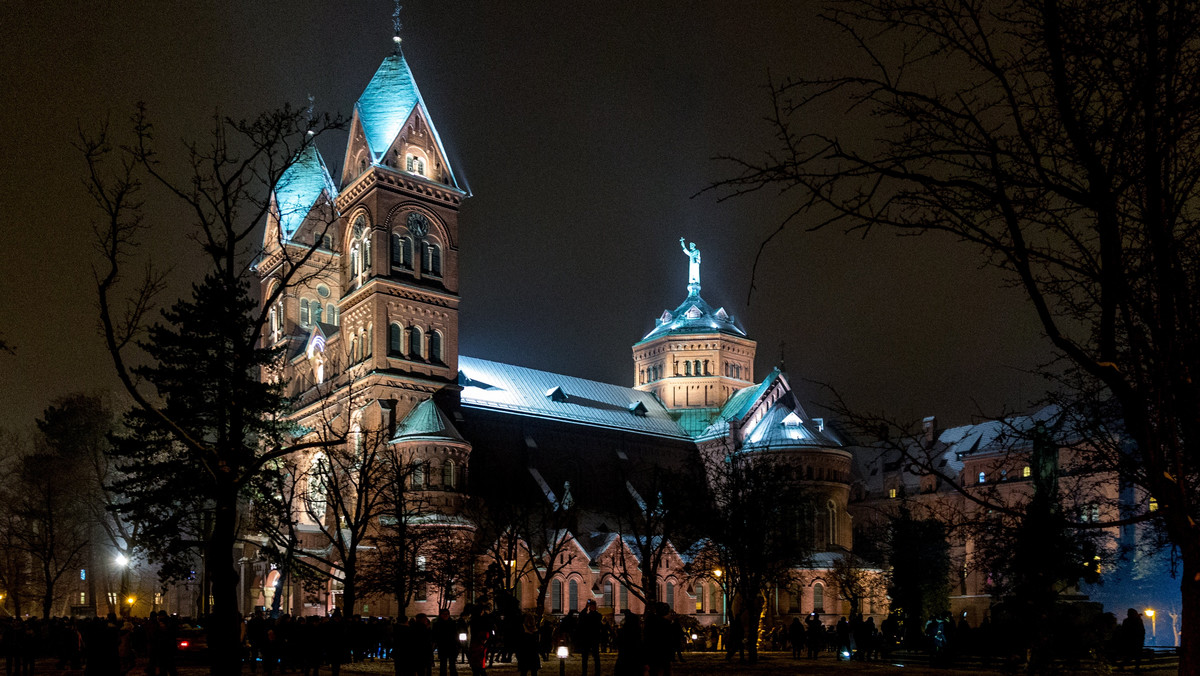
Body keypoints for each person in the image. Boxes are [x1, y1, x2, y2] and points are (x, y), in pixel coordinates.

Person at [576, 599, 602, 676]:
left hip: (591, 639)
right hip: (589, 639)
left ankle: (595, 672)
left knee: (593, 657)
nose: (592, 607)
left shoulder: (596, 616)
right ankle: (587, 672)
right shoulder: (595, 615)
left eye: (593, 606)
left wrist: (586, 608)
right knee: (588, 657)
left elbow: (581, 617)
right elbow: (581, 617)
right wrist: (586, 607)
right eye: (591, 606)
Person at [433, 609, 460, 676]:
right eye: (444, 614)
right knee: (443, 665)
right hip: (443, 646)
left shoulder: (453, 623)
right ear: (441, 615)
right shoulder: (437, 624)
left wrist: (457, 644)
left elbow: (456, 634)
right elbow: (435, 635)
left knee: (452, 665)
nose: (446, 615)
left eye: (447, 614)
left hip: (451, 646)